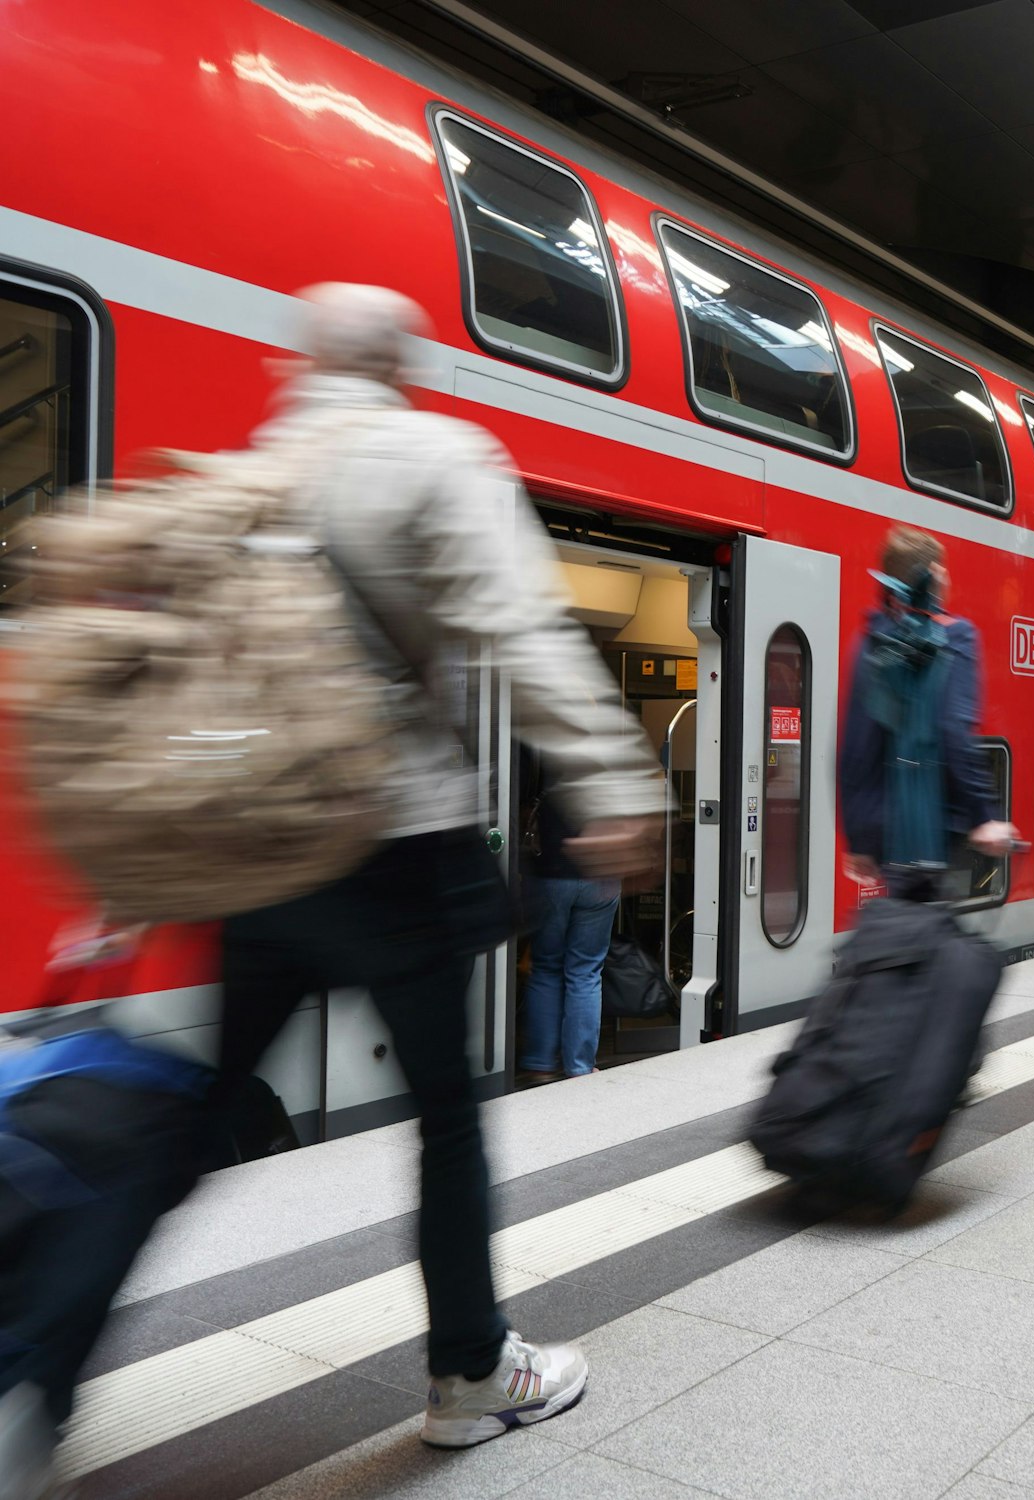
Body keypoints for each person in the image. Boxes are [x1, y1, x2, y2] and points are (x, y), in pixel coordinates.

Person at [4, 284, 669, 1469]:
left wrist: (132, 885)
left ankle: (32, 1385)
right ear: (403, 362)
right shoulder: (434, 452)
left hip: (260, 855)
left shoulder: (253, 469)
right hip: (398, 844)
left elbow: (177, 692)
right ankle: (471, 1371)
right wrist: (618, 782)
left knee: (191, 1126)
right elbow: (519, 626)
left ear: (300, 364)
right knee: (448, 1124)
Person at [838, 525, 1018, 896]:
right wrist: (984, 817)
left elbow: (854, 747)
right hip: (931, 829)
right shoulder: (955, 635)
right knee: (929, 940)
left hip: (882, 831)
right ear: (934, 575)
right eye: (943, 569)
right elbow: (954, 730)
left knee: (903, 932)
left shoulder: (870, 639)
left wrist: (858, 835)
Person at [519, 758, 621, 1082]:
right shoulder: (612, 756)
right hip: (601, 877)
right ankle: (579, 1066)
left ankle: (539, 1063)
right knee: (586, 970)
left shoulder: (544, 754)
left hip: (552, 874)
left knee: (546, 966)